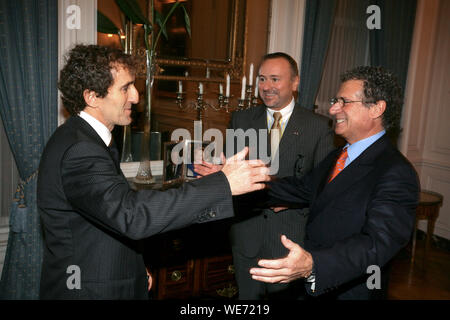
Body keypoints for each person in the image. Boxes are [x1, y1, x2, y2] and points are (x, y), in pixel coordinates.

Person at [37, 44, 270, 300]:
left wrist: (134, 267)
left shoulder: (87, 137)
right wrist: (222, 184)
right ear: (92, 96)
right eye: (125, 88)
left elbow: (105, 219)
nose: (136, 97)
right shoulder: (81, 149)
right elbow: (131, 215)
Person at [249, 66, 420, 300]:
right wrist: (240, 181)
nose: (332, 109)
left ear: (377, 108)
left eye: (343, 101)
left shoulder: (396, 173)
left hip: (349, 290)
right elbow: (300, 189)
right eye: (334, 100)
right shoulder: (339, 155)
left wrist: (313, 265)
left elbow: (377, 244)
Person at [194, 52, 334, 299]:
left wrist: (290, 199)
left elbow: (323, 190)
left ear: (295, 82)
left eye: (274, 79)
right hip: (247, 236)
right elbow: (232, 171)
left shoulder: (318, 127)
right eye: (261, 79)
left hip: (292, 240)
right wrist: (219, 174)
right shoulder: (241, 119)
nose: (266, 87)